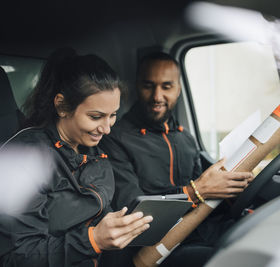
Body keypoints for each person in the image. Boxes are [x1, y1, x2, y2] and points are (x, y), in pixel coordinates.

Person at [0, 48, 153, 267]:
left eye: (113, 115)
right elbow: (18, 256)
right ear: (62, 106)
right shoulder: (23, 161)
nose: (107, 128)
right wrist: (94, 240)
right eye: (96, 116)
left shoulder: (95, 154)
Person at [99, 52, 253, 266]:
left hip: (204, 229)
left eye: (167, 86)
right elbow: (134, 211)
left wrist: (230, 192)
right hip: (160, 247)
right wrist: (195, 191)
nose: (157, 96)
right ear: (136, 86)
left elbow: (207, 191)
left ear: (179, 88)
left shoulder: (185, 137)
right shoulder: (115, 139)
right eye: (148, 85)